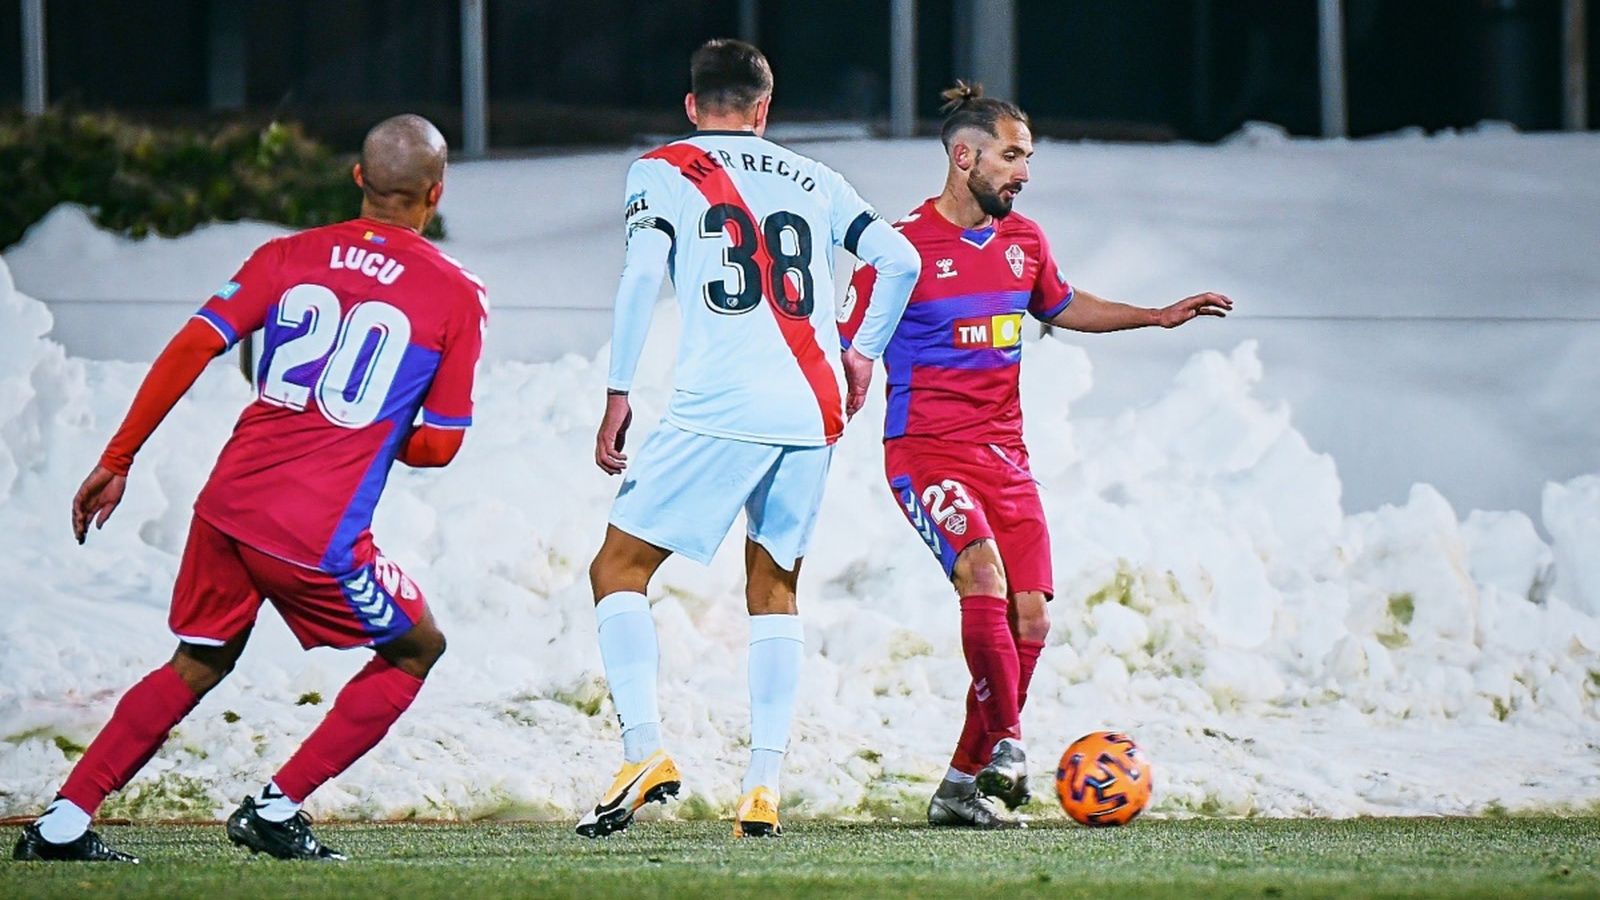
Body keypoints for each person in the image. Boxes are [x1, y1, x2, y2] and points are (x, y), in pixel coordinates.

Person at [11, 115, 488, 863]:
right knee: (416, 647)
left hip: (227, 508)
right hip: (317, 537)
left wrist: (119, 456)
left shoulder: (284, 255)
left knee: (198, 660)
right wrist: (376, 430)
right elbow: (442, 445)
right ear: (436, 191)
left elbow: (196, 343)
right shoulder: (456, 295)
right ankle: (275, 808)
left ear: (357, 179)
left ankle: (63, 824)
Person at [841, 83, 1231, 828]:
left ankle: (960, 786)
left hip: (1006, 458)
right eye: (1011, 156)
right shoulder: (898, 250)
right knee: (981, 575)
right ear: (965, 156)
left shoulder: (1025, 243)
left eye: (1028, 158)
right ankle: (1009, 746)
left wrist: (1154, 315)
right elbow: (848, 343)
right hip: (926, 451)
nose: (1023, 172)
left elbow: (1062, 304)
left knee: (1032, 621)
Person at [577, 39, 920, 839]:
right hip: (811, 408)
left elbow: (639, 277)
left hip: (718, 406)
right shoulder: (819, 179)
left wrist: (619, 389)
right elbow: (898, 259)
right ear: (765, 110)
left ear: (692, 106)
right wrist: (861, 354)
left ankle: (644, 751)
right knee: (774, 590)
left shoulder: (661, 168)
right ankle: (762, 785)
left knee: (618, 568)